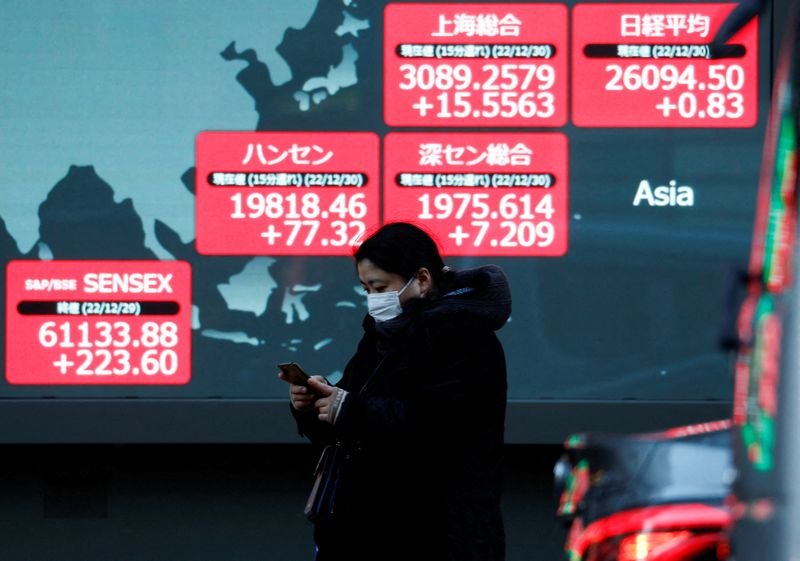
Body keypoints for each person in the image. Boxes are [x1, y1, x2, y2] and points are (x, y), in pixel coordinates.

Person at [279, 222, 511, 561]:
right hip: (367, 531)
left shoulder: (465, 336)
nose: (373, 299)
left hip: (434, 533)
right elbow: (352, 415)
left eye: (380, 286)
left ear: (421, 279)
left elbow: (440, 425)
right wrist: (314, 404)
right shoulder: (382, 335)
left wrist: (350, 409)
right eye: (366, 289)